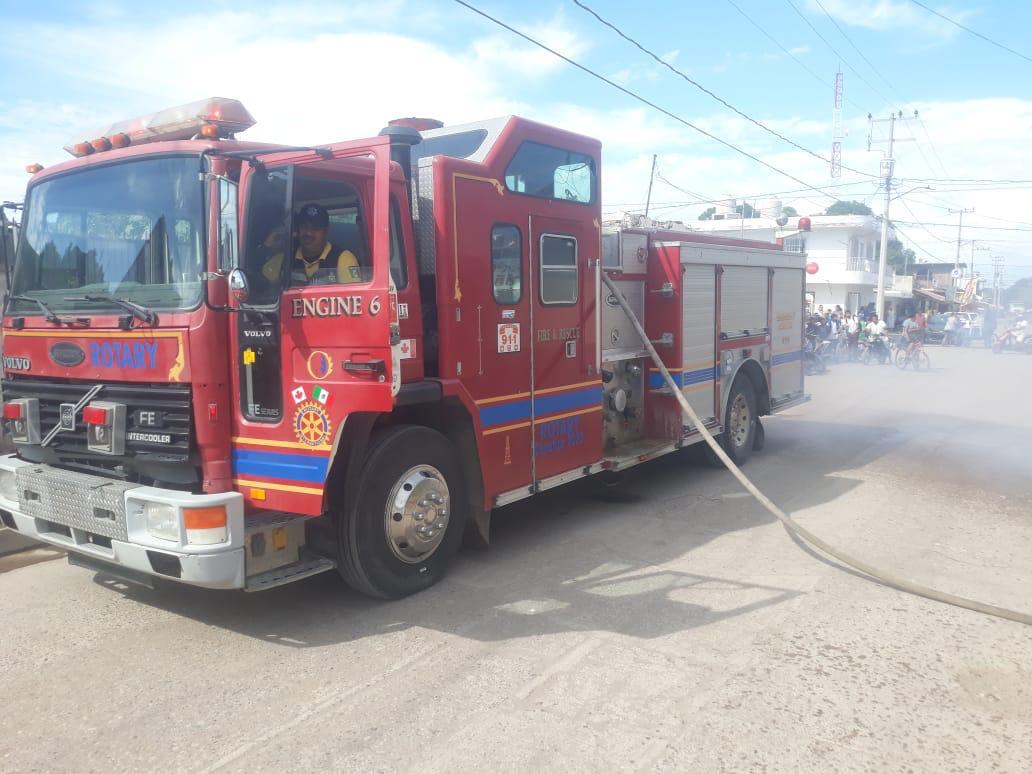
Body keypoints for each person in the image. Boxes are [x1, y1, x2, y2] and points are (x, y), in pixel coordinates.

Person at [262, 203, 361, 286]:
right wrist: (267, 246)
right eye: (304, 227)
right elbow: (262, 287)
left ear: (326, 231)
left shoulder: (343, 258)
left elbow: (353, 300)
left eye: (316, 228)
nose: (308, 233)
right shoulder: (285, 258)